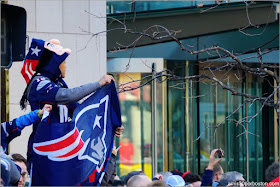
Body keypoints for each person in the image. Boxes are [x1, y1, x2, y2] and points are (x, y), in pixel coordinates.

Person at [19, 38, 124, 172]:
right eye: (63, 62)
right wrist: (98, 84)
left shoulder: (59, 85)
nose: (66, 66)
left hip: (61, 152)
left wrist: (111, 124)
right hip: (44, 151)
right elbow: (67, 95)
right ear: (54, 64)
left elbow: (83, 112)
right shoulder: (39, 82)